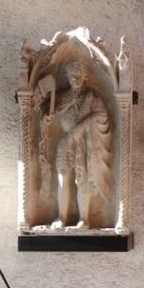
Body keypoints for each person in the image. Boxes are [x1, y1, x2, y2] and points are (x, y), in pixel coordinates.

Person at [47, 63, 114, 227]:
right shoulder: (62, 97)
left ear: (84, 77)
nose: (75, 79)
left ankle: (84, 218)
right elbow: (50, 116)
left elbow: (102, 115)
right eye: (71, 77)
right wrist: (47, 118)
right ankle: (61, 217)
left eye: (78, 76)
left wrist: (81, 127)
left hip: (84, 143)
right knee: (63, 178)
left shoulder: (91, 97)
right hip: (65, 141)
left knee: (82, 181)